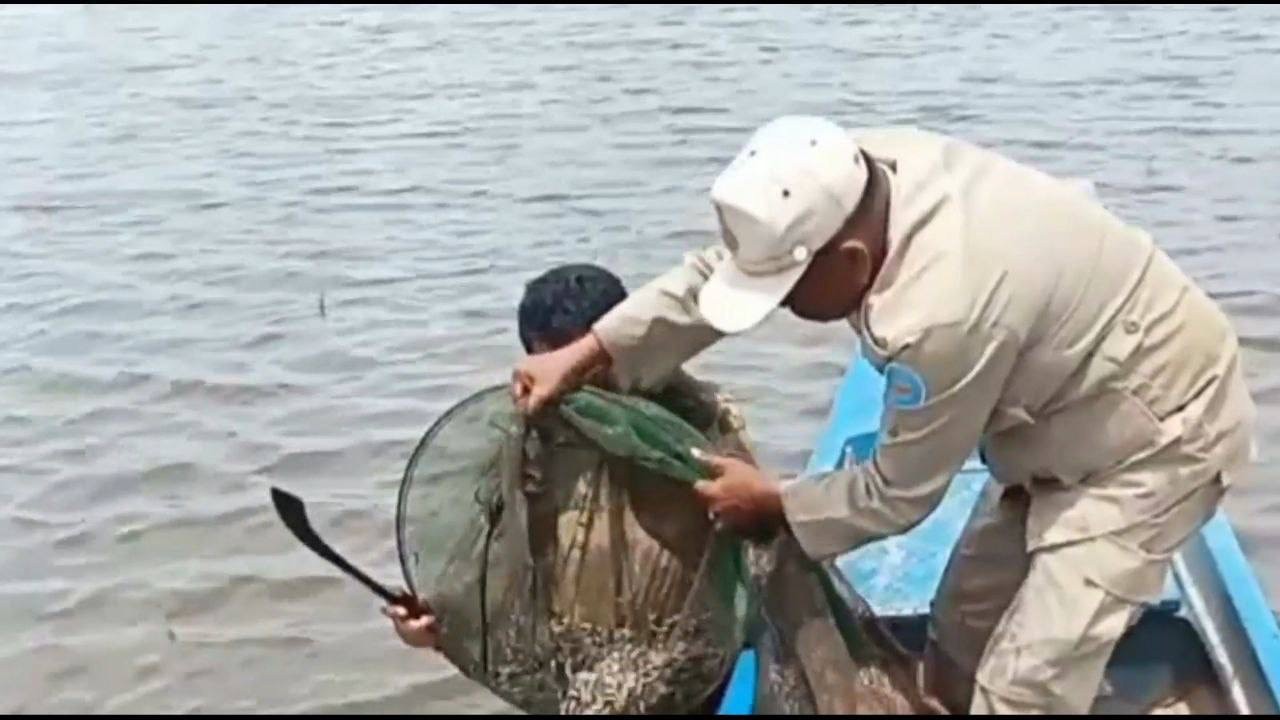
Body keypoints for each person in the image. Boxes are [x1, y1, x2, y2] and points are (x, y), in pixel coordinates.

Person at [510, 116, 1257, 713]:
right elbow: (717, 272)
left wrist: (775, 503)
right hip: (1054, 409)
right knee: (962, 631)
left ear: (852, 263)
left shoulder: (940, 314)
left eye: (786, 294)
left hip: (1154, 439)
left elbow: (898, 493)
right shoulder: (846, 173)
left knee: (1026, 686)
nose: (778, 310)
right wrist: (586, 354)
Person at [385, 262, 754, 652]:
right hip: (581, 644)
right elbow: (490, 558)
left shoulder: (697, 421)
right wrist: (438, 624)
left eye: (588, 365)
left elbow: (758, 545)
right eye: (559, 367)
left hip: (687, 638)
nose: (578, 386)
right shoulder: (523, 442)